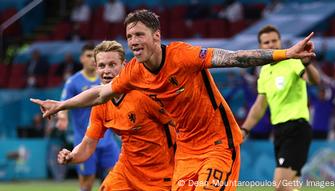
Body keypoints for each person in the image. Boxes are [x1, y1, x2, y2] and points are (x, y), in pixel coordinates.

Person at [31, 10, 316, 190]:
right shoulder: (133, 72)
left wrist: (285, 53)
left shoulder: (183, 56)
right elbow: (99, 93)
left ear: (157, 35)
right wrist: (61, 105)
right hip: (187, 152)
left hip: (218, 144)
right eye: (129, 36)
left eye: (139, 34)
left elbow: (235, 58)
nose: (133, 41)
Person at [57, 40, 176, 191]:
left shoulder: (144, 94)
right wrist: (71, 156)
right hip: (126, 171)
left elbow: (179, 125)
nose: (106, 71)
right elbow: (87, 145)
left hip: (160, 172)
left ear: (124, 65)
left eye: (112, 65)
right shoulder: (100, 104)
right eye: (101, 66)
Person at [241, 25, 320, 191]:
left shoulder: (292, 62)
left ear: (280, 41)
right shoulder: (264, 71)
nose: (271, 44)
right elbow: (260, 105)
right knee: (291, 187)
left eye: (274, 40)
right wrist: (245, 130)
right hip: (278, 132)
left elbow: (314, 80)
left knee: (280, 185)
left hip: (296, 128)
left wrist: (307, 64)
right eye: (266, 42)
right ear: (261, 46)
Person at [56, 43, 120, 191]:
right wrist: (62, 118)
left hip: (107, 140)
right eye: (88, 56)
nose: (92, 59)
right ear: (81, 59)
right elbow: (63, 103)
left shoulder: (106, 77)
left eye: (94, 56)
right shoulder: (73, 82)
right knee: (87, 183)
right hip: (84, 140)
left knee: (115, 180)